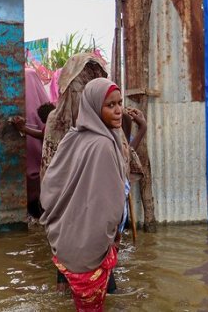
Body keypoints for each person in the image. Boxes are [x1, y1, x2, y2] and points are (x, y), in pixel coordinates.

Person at [40, 78, 127, 312]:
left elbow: (50, 186)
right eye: (110, 105)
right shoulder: (104, 145)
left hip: (64, 242)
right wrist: (110, 239)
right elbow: (112, 208)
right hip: (91, 248)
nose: (119, 110)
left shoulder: (72, 137)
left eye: (120, 103)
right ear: (94, 106)